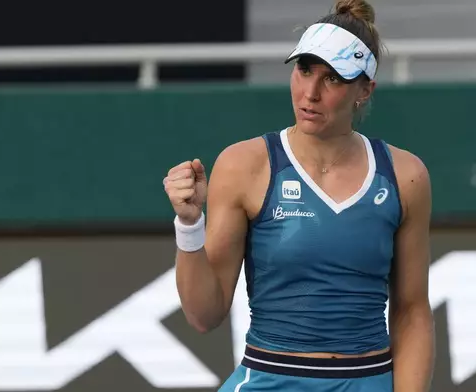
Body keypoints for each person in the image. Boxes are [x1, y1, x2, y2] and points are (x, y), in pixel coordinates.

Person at [163, 0, 435, 390]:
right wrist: (189, 225)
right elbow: (203, 315)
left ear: (364, 89)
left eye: (333, 79)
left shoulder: (405, 175)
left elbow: (412, 312)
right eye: (304, 70)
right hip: (268, 380)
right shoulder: (245, 165)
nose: (310, 92)